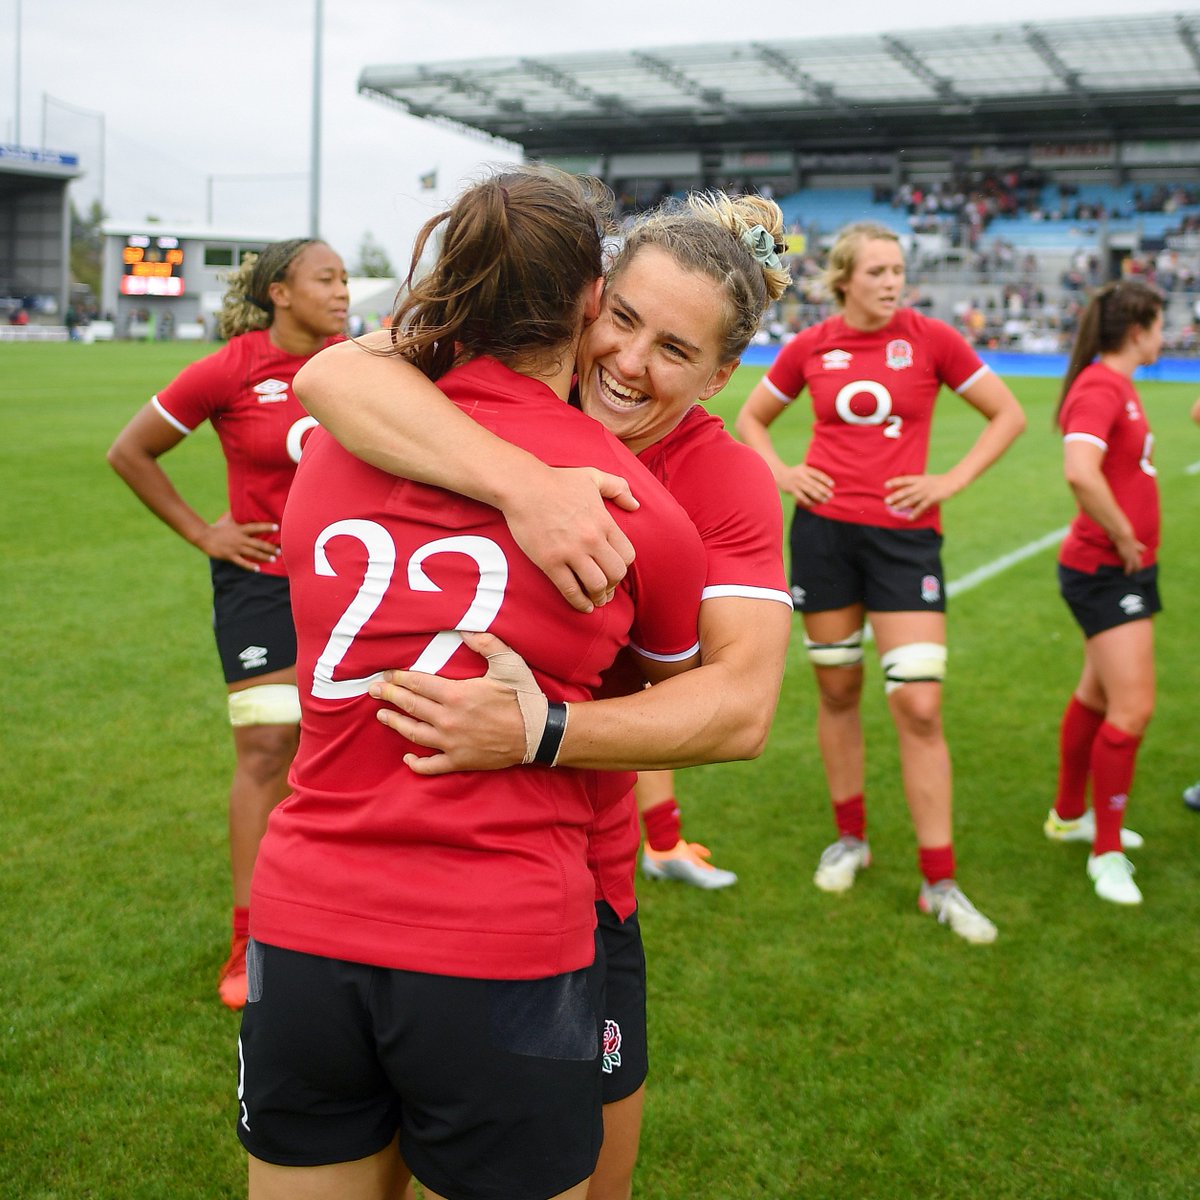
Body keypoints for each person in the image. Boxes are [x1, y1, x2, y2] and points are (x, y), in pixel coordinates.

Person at [293, 189, 794, 1200]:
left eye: (675, 350)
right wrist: (525, 483)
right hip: (384, 887)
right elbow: (332, 371)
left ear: (722, 374)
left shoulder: (721, 481)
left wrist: (548, 728)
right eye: (623, 320)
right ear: (586, 301)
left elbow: (740, 707)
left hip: (576, 886)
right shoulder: (481, 387)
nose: (629, 362)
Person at [736, 220, 1025, 944]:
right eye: (877, 272)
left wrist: (947, 481)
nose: (893, 282)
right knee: (837, 691)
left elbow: (1007, 414)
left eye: (898, 270)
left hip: (905, 545)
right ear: (843, 281)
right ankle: (851, 838)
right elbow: (753, 418)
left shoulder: (933, 339)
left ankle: (940, 880)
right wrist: (784, 475)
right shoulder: (811, 346)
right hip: (825, 539)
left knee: (920, 705)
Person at [106, 238, 348, 1009]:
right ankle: (249, 937)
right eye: (327, 279)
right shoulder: (234, 368)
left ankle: (339, 918)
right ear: (280, 292)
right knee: (268, 744)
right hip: (261, 584)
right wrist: (204, 532)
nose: (343, 292)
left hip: (351, 584)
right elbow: (131, 451)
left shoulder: (367, 363)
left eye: (345, 278)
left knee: (346, 749)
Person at [1043, 280, 1167, 903]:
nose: (1164, 336)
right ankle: (1107, 851)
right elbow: (1079, 471)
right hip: (1106, 572)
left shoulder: (1117, 384)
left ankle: (1070, 815)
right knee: (1132, 709)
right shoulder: (1099, 386)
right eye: (1160, 324)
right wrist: (1122, 534)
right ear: (1139, 328)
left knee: (1097, 695)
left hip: (1123, 571)